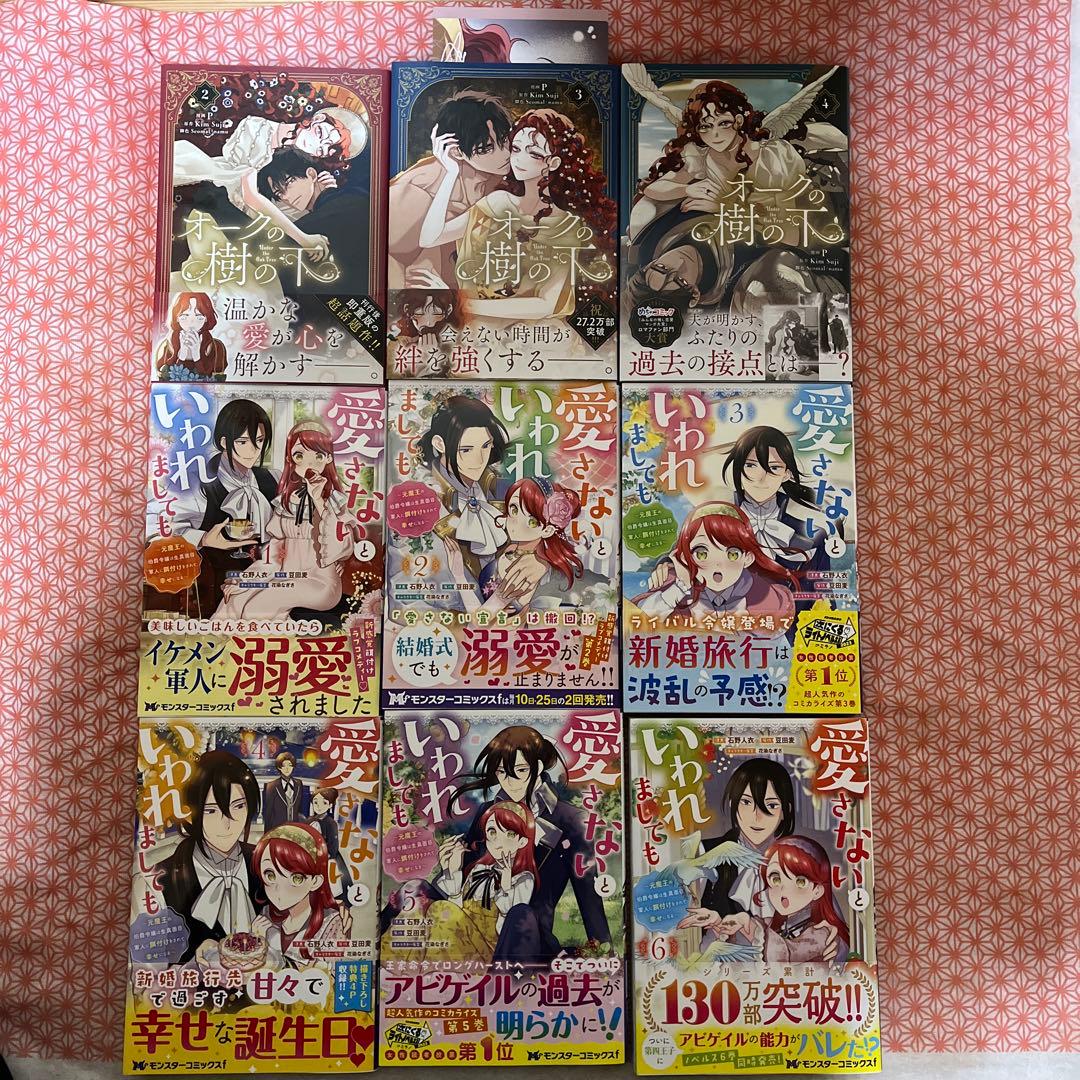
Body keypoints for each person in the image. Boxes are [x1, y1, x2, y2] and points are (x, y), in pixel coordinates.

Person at [420, 108, 616, 322]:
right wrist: (451, 173)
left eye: (534, 154)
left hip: (534, 333)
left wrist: (463, 303)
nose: (519, 159)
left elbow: (546, 304)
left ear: (553, 163)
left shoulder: (565, 225)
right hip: (476, 329)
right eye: (516, 149)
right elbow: (430, 238)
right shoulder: (498, 203)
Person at [621, 66, 847, 242]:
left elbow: (788, 233)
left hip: (775, 243)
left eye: (724, 123)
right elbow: (653, 188)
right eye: (705, 126)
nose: (715, 135)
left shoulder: (769, 160)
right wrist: (686, 189)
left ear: (738, 120)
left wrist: (724, 208)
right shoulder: (701, 154)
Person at [448, 726, 611, 966]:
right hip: (477, 929)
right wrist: (451, 866)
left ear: (540, 766)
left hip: (528, 935)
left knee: (519, 913)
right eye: (501, 772)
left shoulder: (570, 820)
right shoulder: (486, 812)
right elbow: (466, 880)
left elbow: (589, 898)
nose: (510, 782)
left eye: (521, 770)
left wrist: (604, 956)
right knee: (414, 889)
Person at [174, 105, 368, 263]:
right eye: (320, 134)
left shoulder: (298, 162)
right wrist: (304, 239)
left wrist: (322, 192)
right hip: (211, 186)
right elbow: (250, 195)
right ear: (317, 119)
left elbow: (287, 202)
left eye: (323, 150)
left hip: (237, 215)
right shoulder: (257, 128)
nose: (316, 145)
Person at [213, 418, 356, 621]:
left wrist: (318, 500)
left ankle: (265, 642)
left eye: (318, 455)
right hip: (285, 576)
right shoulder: (287, 501)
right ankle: (217, 641)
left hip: (320, 583)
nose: (309, 464)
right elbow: (273, 557)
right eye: (300, 455)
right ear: (291, 459)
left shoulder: (334, 500)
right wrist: (246, 581)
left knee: (259, 606)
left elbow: (342, 547)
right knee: (235, 599)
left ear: (328, 458)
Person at [388, 91, 513, 289]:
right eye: (486, 148)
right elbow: (387, 260)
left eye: (505, 139)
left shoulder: (508, 178)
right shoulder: (416, 191)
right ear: (456, 151)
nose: (505, 154)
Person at [166, 399, 278, 609]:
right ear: (225, 442)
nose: (253, 450)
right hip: (216, 589)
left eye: (260, 441)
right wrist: (204, 539)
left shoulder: (272, 479)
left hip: (269, 583)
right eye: (243, 442)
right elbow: (166, 529)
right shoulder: (198, 482)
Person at [157, 750, 266, 963]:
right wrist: (194, 964)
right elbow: (149, 971)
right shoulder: (160, 880)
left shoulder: (265, 861)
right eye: (211, 811)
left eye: (239, 806)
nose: (228, 823)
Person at [684, 836, 849, 966]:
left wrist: (749, 925)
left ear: (817, 890)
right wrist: (718, 924)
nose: (784, 890)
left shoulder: (821, 932)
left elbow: (788, 954)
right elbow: (743, 952)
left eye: (800, 882)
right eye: (776, 879)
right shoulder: (773, 925)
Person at [634, 502, 799, 622]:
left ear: (747, 558)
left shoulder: (761, 594)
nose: (717, 565)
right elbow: (639, 622)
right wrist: (680, 586)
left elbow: (776, 628)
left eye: (732, 554)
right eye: (702, 553)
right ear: (685, 556)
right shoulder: (677, 587)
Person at [442, 477, 583, 615]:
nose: (516, 521)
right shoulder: (513, 549)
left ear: (547, 531)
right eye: (514, 509)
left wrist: (459, 576)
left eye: (532, 521)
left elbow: (480, 620)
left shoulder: (525, 572)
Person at [421, 801, 540, 963]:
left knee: (440, 908)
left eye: (510, 834)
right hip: (463, 941)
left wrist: (506, 886)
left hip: (491, 953)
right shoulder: (479, 869)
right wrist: (453, 870)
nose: (498, 841)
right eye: (492, 832)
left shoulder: (523, 879)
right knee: (421, 906)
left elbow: (510, 932)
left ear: (522, 841)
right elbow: (457, 912)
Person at [417, 395, 510, 570]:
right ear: (439, 444)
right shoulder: (425, 499)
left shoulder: (498, 488)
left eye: (485, 446)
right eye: (466, 450)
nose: (479, 460)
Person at [721, 426, 833, 572]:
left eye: (774, 468)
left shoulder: (814, 537)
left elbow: (820, 585)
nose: (761, 478)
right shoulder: (713, 528)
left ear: (786, 474)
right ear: (738, 468)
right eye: (751, 465)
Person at [251, 823, 347, 965]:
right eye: (270, 875)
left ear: (315, 881)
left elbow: (332, 974)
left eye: (296, 878)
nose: (279, 889)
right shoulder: (266, 914)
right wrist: (256, 941)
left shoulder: (331, 923)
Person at [154, 292, 227, 381]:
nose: (191, 322)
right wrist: (181, 355)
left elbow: (218, 381)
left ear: (206, 318)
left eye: (199, 317)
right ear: (177, 318)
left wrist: (197, 356)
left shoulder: (217, 347)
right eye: (185, 316)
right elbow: (163, 379)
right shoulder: (166, 346)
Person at [307, 787, 353, 908]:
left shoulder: (331, 823)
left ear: (330, 805)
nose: (319, 806)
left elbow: (333, 846)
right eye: (316, 802)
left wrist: (323, 856)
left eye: (324, 803)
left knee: (331, 883)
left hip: (327, 857)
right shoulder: (309, 821)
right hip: (310, 856)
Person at [262, 752, 310, 831]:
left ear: (293, 766)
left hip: (295, 828)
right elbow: (268, 813)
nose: (287, 768)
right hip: (278, 828)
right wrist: (267, 834)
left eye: (290, 765)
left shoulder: (298, 783)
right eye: (284, 765)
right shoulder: (271, 786)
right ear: (279, 767)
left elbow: (300, 808)